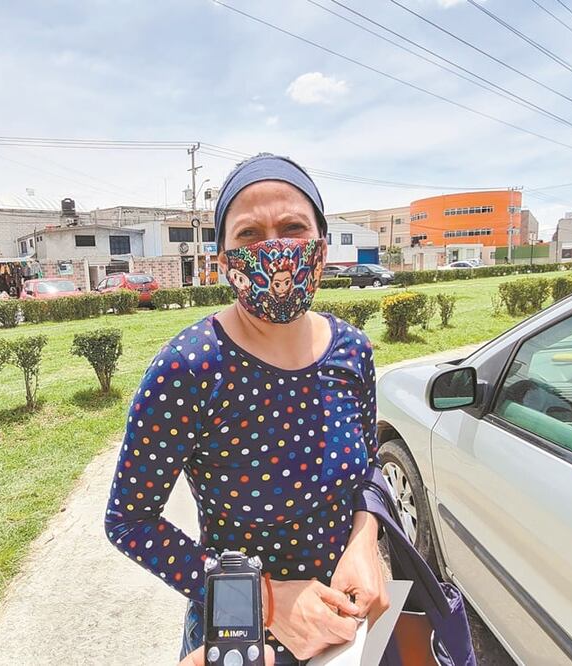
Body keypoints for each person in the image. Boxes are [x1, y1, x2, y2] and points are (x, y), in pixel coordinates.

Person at [106, 154, 387, 664]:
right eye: (250, 234)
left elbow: (368, 468)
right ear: (223, 260)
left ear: (321, 246)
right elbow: (129, 521)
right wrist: (266, 600)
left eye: (293, 227)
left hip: (349, 628)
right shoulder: (189, 368)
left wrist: (365, 542)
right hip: (242, 638)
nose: (275, 248)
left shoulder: (352, 350)